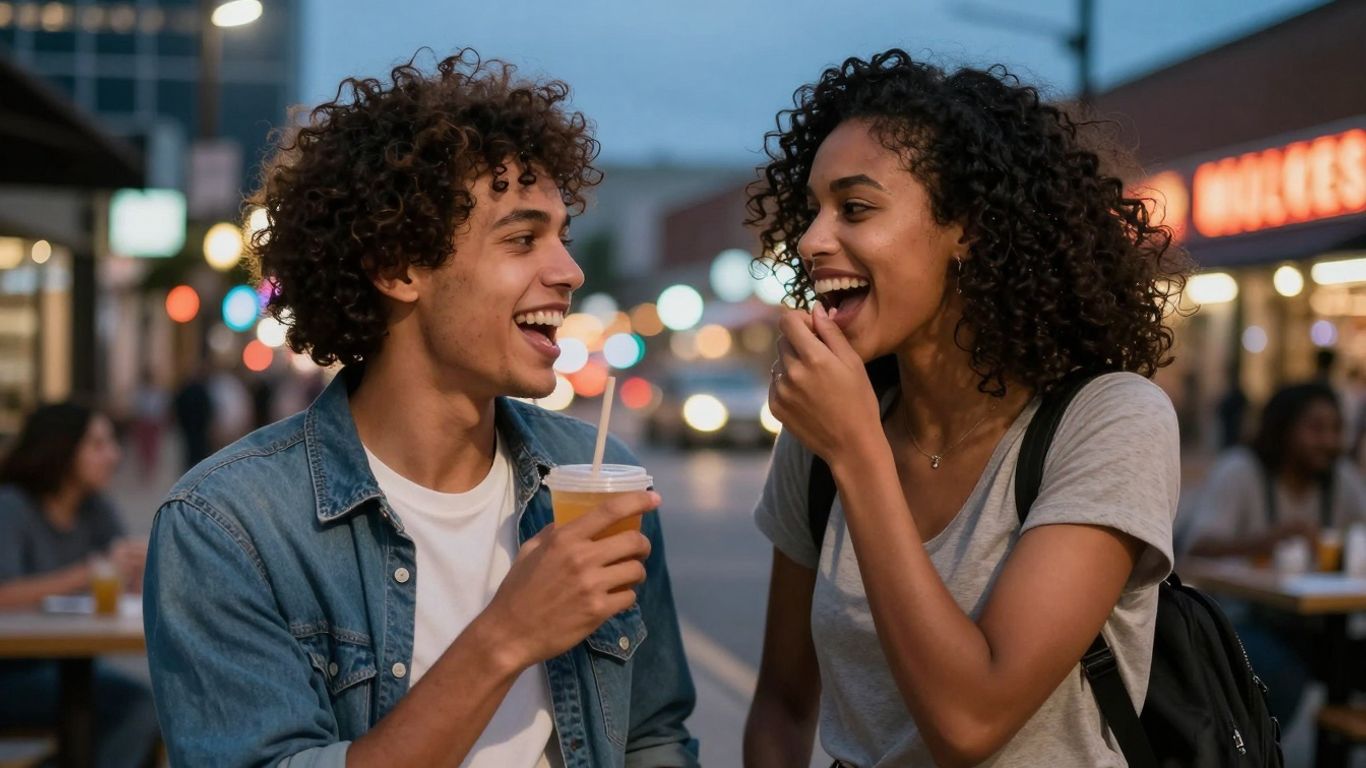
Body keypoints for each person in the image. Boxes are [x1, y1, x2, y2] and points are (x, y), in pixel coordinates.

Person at [143, 50, 697, 768]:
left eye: (562, 235)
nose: (569, 271)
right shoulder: (226, 527)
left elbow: (653, 735)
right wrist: (506, 635)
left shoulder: (594, 475)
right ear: (399, 267)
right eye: (523, 239)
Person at [741, 51, 1186, 767]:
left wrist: (857, 452)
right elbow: (783, 704)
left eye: (854, 208)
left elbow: (970, 720)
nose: (812, 240)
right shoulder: (828, 432)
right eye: (813, 209)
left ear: (969, 228)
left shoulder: (1109, 421)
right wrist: (847, 440)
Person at [1186, 382, 1366, 722]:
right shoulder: (1240, 470)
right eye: (1315, 429)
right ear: (1283, 428)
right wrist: (1270, 538)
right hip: (1244, 619)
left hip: (1324, 625)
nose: (1329, 441)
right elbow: (1197, 548)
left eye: (1336, 429)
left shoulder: (1341, 479)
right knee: (1279, 676)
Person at [0, 403, 159, 768]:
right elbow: (3, 594)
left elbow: (124, 590)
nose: (115, 455)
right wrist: (90, 571)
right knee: (139, 709)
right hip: (12, 672)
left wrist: (143, 569)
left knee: (157, 708)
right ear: (62, 448)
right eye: (98, 445)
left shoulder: (95, 508)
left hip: (73, 667)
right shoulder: (12, 507)